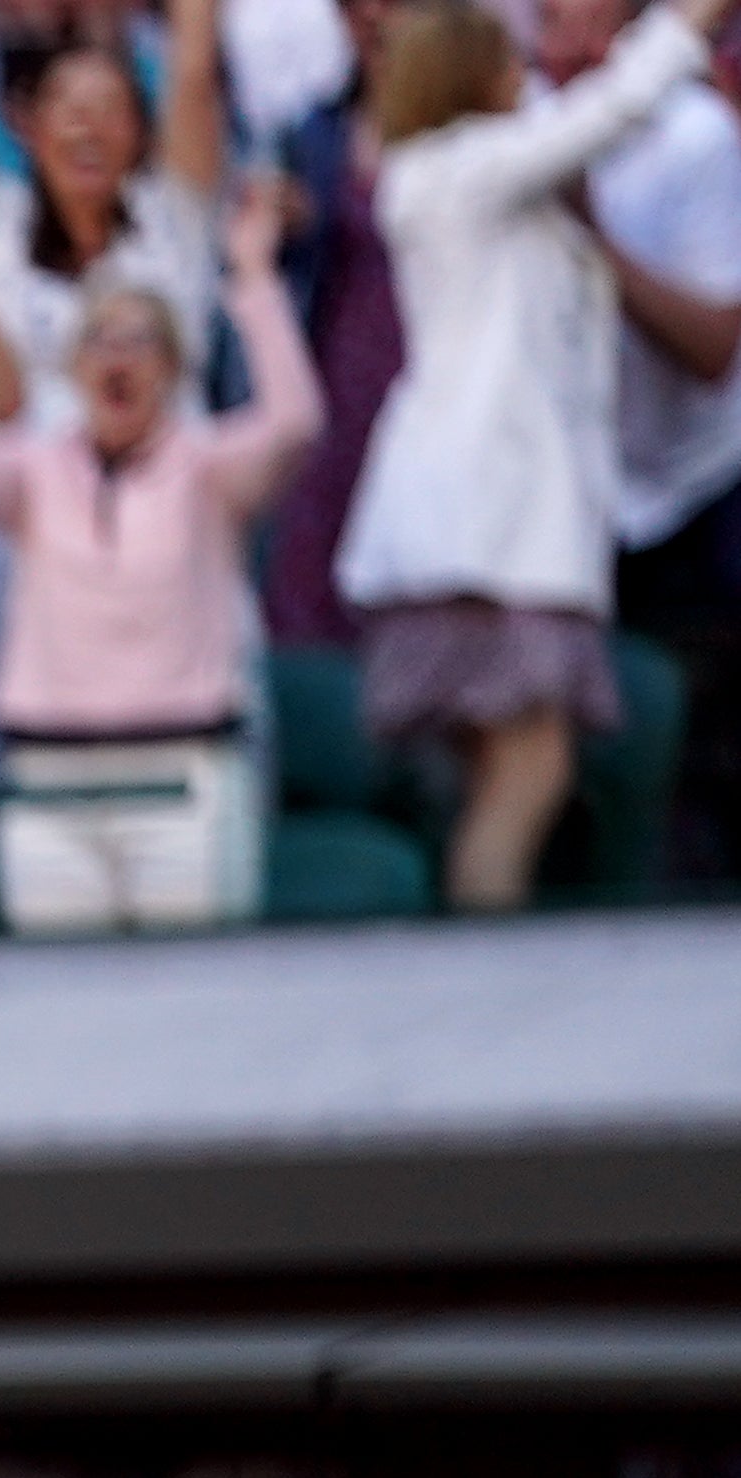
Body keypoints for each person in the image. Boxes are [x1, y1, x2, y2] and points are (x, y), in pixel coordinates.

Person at [337, 0, 737, 905]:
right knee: (533, 766)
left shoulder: (476, 184)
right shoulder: (454, 170)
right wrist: (686, 23)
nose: (527, 79)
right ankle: (484, 959)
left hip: (493, 520)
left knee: (498, 773)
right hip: (486, 523)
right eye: (508, 65)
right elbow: (609, 113)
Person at [0, 174, 320, 926]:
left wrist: (254, 278)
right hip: (50, 775)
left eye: (141, 341)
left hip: (185, 771)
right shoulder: (33, 471)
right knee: (61, 1007)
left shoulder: (209, 470)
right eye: (99, 339)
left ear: (172, 368)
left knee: (186, 996)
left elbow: (293, 422)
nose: (117, 358)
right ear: (71, 368)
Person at [568, 0, 741, 868]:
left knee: (696, 773)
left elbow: (715, 346)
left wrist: (596, 246)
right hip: (581, 502)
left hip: (695, 503)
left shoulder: (697, 135)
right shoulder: (525, 117)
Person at [0, 0, 228, 433]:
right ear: (30, 128)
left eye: (110, 110)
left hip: (172, 487)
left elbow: (194, 69)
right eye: (71, 111)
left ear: (141, 133)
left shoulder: (174, 216)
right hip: (30, 487)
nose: (89, 128)